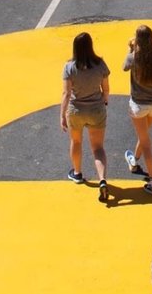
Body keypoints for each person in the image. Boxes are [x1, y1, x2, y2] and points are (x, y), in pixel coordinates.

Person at [60, 32, 110, 202]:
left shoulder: (69, 67)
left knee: (76, 142)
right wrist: (104, 101)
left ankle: (77, 173)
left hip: (76, 111)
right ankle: (102, 179)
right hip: (96, 109)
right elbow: (106, 89)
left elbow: (66, 94)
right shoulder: (100, 64)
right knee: (98, 148)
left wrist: (62, 115)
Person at [123, 24, 152, 195]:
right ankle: (134, 161)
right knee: (144, 134)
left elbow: (124, 67)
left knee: (146, 142)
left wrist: (131, 49)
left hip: (139, 105)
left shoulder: (134, 58)